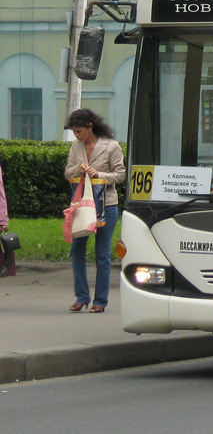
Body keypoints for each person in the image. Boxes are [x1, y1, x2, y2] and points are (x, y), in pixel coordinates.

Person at [64, 109, 125, 314]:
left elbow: (120, 175)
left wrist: (98, 174)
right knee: (77, 250)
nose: (77, 136)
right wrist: (78, 170)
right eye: (74, 132)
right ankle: (82, 296)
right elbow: (68, 172)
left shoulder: (111, 146)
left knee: (102, 254)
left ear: (90, 127)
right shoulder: (76, 146)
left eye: (80, 131)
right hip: (82, 205)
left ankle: (100, 300)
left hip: (106, 205)